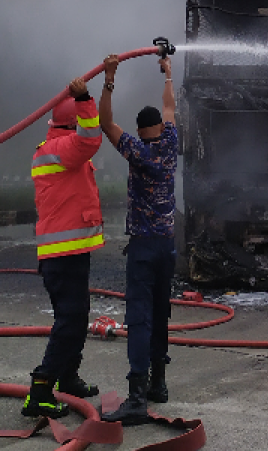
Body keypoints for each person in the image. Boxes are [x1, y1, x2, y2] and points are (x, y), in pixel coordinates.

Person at [99, 53, 179, 426]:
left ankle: (136, 395)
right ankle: (159, 384)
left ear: (138, 129)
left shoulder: (137, 150)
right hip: (168, 246)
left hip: (144, 247)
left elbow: (104, 123)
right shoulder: (169, 145)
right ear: (160, 128)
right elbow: (170, 109)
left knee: (140, 318)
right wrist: (167, 74)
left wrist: (109, 78)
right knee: (161, 312)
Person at [23, 76, 105, 419]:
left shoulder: (56, 148)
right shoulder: (62, 148)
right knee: (70, 322)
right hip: (63, 255)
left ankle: (68, 377)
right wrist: (86, 98)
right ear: (72, 122)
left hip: (68, 253)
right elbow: (91, 139)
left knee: (75, 318)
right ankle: (40, 391)